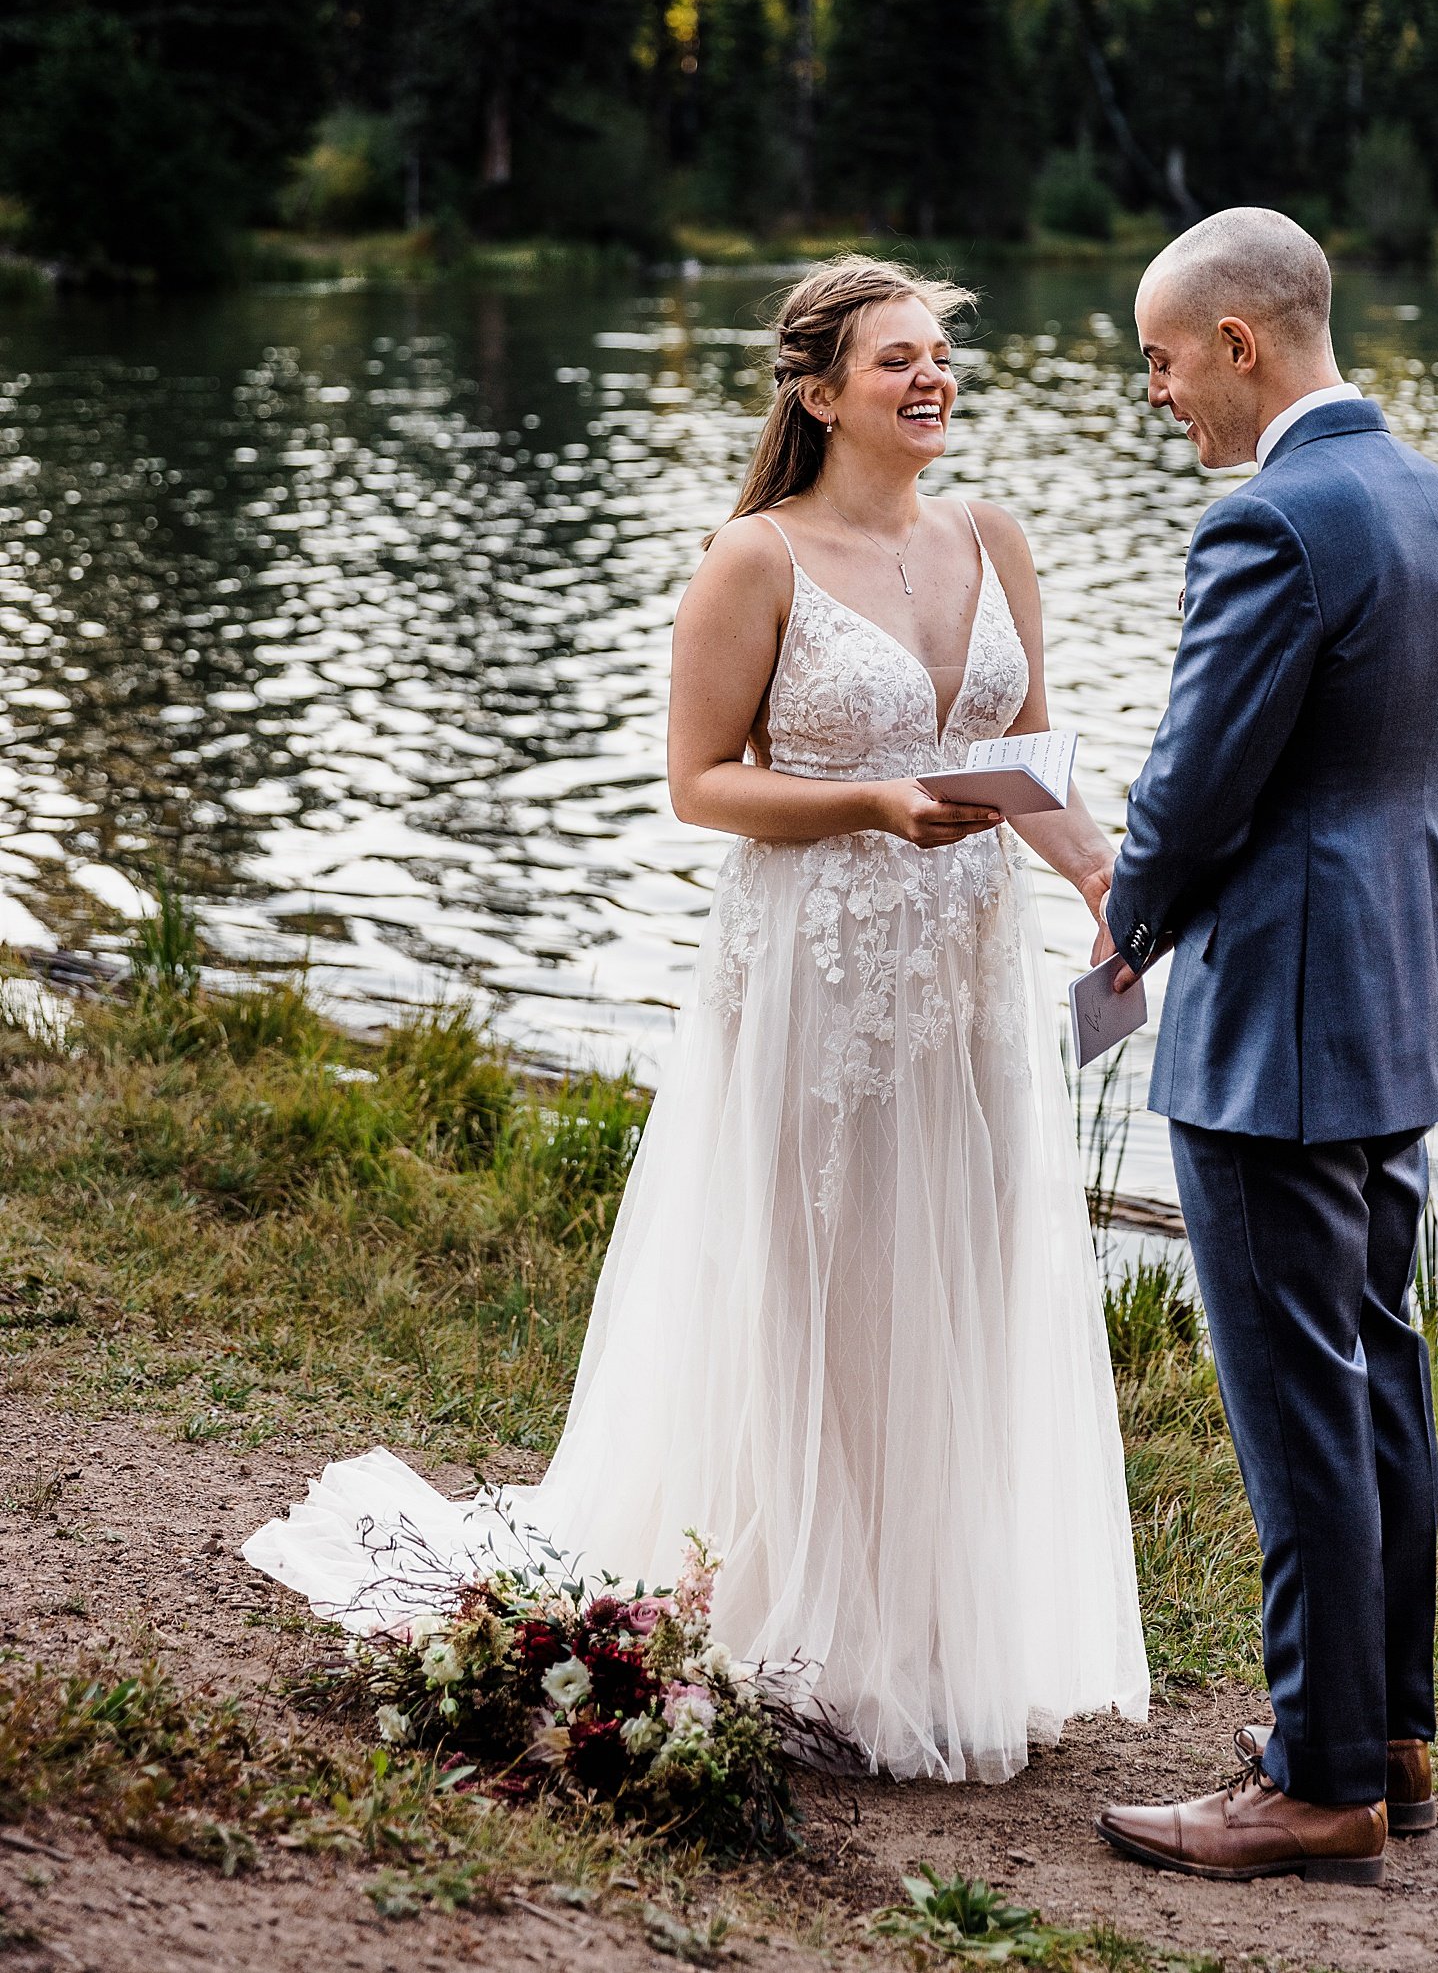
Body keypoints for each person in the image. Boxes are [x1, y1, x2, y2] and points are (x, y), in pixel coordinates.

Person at [244, 254, 1150, 1785]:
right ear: (816, 392)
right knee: (816, 1278)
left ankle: (927, 1626)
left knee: (964, 1274)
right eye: (895, 364)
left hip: (966, 982)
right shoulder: (758, 558)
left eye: (941, 356)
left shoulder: (995, 536)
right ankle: (796, 1614)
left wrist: (1106, 881)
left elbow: (1023, 753)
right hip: (816, 971)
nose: (932, 381)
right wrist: (870, 799)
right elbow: (700, 782)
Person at [1093, 208, 1438, 1887]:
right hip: (1398, 986)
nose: (1166, 398)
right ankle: (1389, 1734)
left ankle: (1315, 1776)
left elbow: (1197, 786)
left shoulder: (1270, 519)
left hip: (1278, 1017)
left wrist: (1125, 919)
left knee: (1294, 1399)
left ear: (1241, 346)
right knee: (1375, 1366)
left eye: (1168, 363)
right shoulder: (1432, 499)